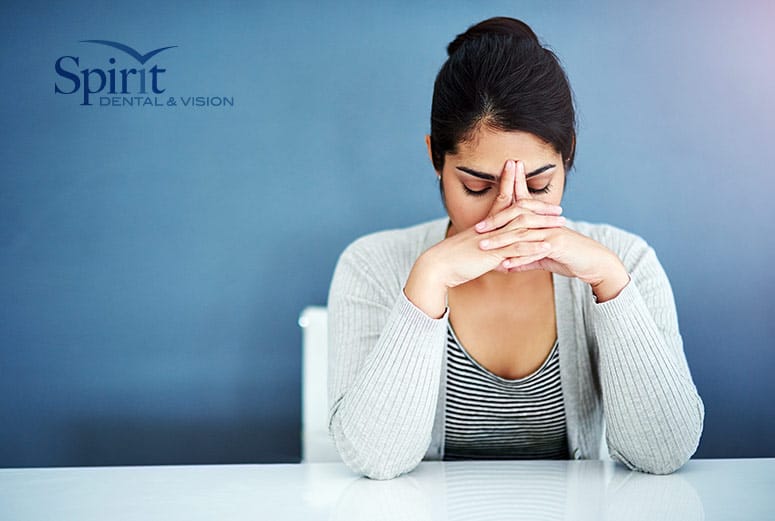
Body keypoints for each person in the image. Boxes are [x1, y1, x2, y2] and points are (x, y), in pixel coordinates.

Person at [326, 16, 704, 480]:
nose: (508, 211)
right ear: (434, 158)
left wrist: (611, 283)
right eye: (476, 185)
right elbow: (375, 460)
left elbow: (663, 453)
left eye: (539, 184)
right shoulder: (370, 266)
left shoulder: (627, 260)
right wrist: (427, 282)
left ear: (569, 155)